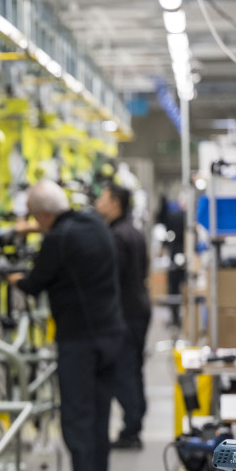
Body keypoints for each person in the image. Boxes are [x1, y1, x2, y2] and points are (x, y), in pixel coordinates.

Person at [9, 180, 123, 471]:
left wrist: (13, 277)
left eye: (35, 218)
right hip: (111, 335)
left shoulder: (58, 239)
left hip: (80, 343)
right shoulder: (94, 225)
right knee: (99, 418)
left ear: (44, 215)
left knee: (76, 419)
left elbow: (34, 283)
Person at [96, 182, 151, 449]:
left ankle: (131, 429)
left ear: (115, 203)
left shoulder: (116, 236)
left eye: (102, 198)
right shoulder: (133, 231)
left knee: (123, 371)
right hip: (139, 308)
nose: (98, 203)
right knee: (133, 369)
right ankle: (135, 423)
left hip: (126, 313)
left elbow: (111, 279)